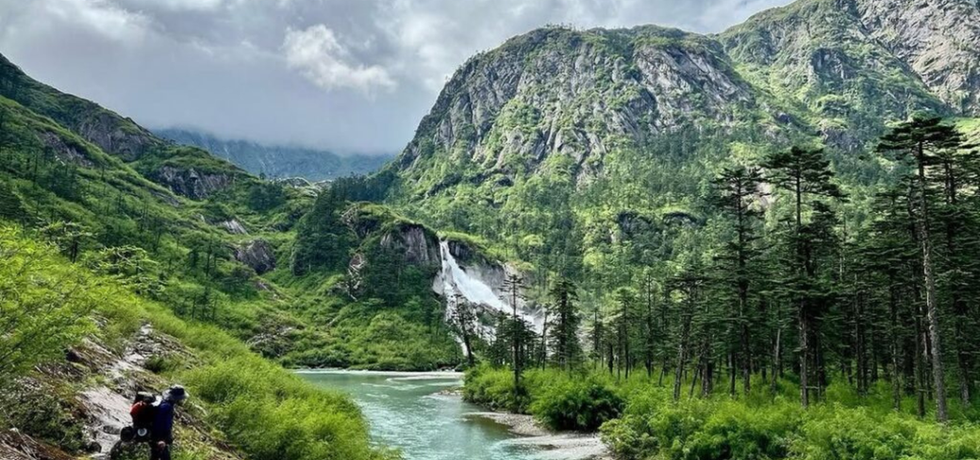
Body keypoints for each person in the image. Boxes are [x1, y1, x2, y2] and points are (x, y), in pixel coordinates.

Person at [150, 385, 188, 460]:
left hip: (155, 436)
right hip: (158, 437)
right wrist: (162, 439)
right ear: (177, 398)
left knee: (155, 456)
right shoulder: (166, 407)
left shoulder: (164, 402)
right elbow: (162, 424)